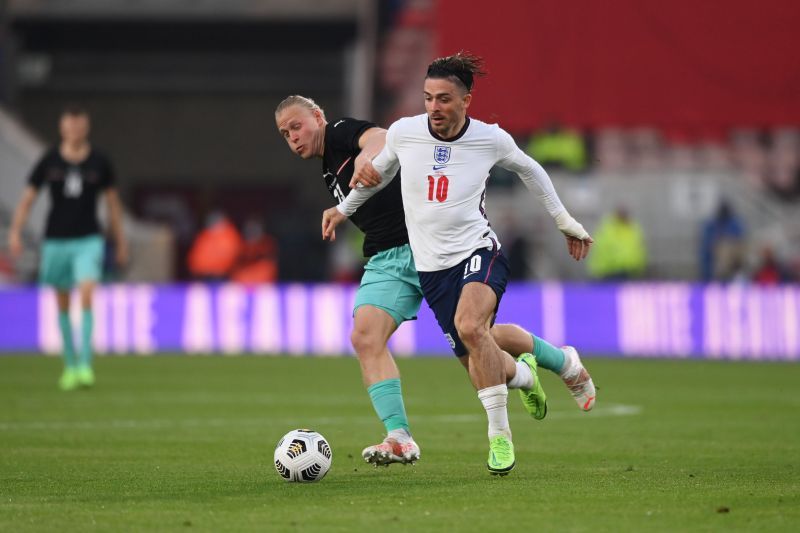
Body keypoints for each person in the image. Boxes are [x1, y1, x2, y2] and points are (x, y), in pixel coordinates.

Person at [323, 53, 595, 476]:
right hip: (432, 271)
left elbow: (532, 170)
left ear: (466, 101)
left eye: (444, 99)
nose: (434, 107)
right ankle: (556, 364)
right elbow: (372, 175)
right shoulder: (405, 133)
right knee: (480, 351)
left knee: (471, 326)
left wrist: (566, 222)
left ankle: (500, 438)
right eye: (428, 98)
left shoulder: (490, 138)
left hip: (477, 252)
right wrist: (342, 210)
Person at [8, 105, 128, 390]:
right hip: (56, 240)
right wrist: (15, 231)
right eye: (70, 126)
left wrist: (120, 240)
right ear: (63, 128)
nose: (74, 130)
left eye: (79, 125)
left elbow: (113, 204)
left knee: (87, 292)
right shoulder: (49, 160)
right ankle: (69, 364)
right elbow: (28, 198)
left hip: (89, 238)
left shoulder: (100, 161)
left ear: (85, 128)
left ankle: (86, 363)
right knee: (62, 301)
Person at [587, 206, 647, 280]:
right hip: (608, 272)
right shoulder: (609, 229)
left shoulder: (633, 229)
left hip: (629, 271)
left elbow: (638, 249)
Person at [186, 210, 243, 282]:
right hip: (200, 276)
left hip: (220, 277)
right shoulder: (205, 235)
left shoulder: (229, 236)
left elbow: (229, 257)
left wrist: (213, 269)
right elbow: (195, 255)